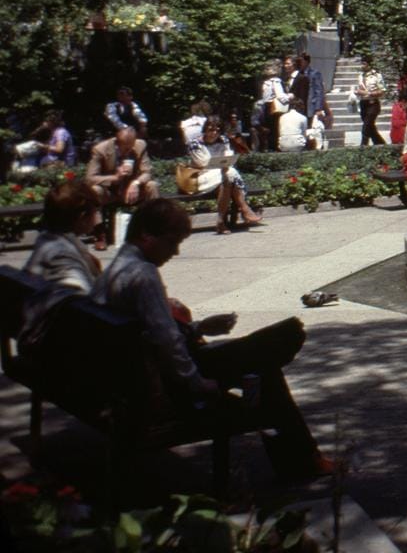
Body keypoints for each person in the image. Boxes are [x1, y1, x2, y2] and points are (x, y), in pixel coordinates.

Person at [93, 200, 332, 480]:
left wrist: (198, 328)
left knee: (264, 360)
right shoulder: (143, 275)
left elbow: (155, 332)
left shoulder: (118, 267)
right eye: (172, 243)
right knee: (276, 346)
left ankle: (303, 461)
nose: (176, 252)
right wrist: (197, 383)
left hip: (135, 374)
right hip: (164, 383)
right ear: (146, 235)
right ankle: (303, 462)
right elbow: (167, 342)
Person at [18, 180, 105, 362]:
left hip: (51, 341)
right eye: (95, 212)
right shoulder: (62, 255)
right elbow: (90, 305)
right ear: (82, 217)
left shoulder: (47, 241)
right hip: (59, 353)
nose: (97, 217)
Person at [191, 118, 266, 233]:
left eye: (217, 130)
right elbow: (203, 163)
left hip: (222, 176)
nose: (214, 133)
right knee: (230, 173)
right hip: (202, 177)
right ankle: (245, 209)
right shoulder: (195, 143)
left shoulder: (224, 140)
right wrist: (223, 165)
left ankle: (220, 221)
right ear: (205, 129)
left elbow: (228, 156)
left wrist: (224, 164)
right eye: (211, 130)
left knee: (227, 180)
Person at [86, 127, 158, 231]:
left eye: (131, 147)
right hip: (110, 192)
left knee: (152, 185)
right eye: (125, 148)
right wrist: (115, 177)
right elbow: (90, 178)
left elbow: (147, 172)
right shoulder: (100, 150)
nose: (128, 151)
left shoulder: (140, 145)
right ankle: (99, 232)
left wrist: (136, 183)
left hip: (132, 191)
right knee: (95, 190)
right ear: (117, 142)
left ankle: (154, 227)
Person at [353, 63, 386, 145]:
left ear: (369, 64)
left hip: (373, 104)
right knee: (370, 127)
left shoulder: (377, 75)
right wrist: (357, 92)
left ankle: (363, 146)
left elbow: (382, 91)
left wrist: (367, 93)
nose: (362, 66)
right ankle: (380, 144)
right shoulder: (361, 76)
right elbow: (360, 89)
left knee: (366, 126)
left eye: (364, 63)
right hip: (363, 104)